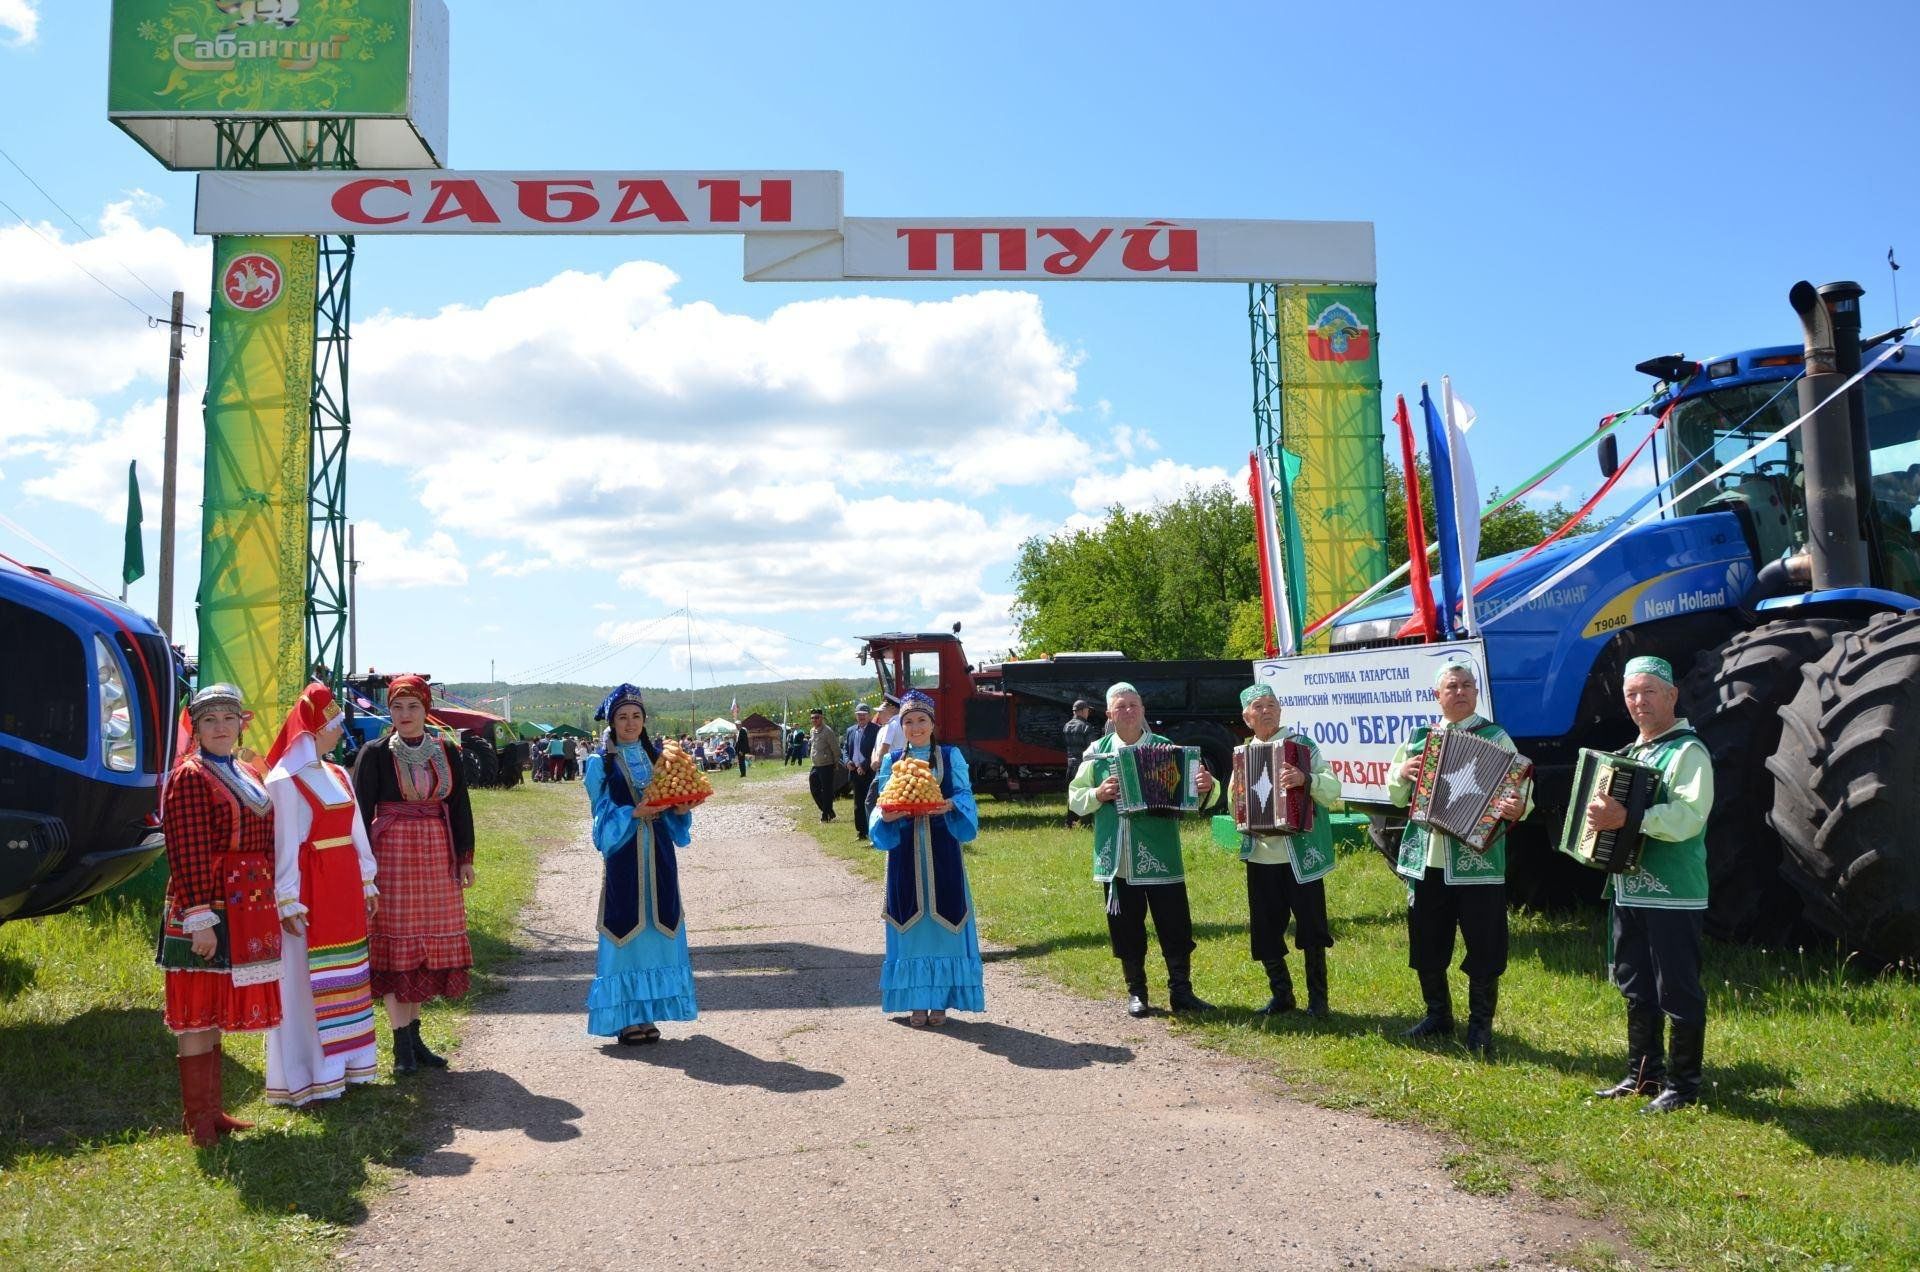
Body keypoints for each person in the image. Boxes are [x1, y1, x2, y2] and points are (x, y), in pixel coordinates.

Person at [1585, 656, 1714, 1113]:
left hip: (1674, 894)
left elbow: (1688, 817)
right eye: (1631, 694)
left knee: (1676, 989)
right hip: (1630, 890)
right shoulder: (1633, 752)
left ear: (1672, 695)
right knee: (1636, 985)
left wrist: (1628, 819)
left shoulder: (1687, 752)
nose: (1639, 702)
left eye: (1648, 692)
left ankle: (1684, 1086)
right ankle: (1642, 1075)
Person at [158, 684, 283, 1145]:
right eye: (210, 721)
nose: (220, 728)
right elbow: (186, 850)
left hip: (242, 903)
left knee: (211, 1009)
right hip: (206, 903)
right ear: (197, 727)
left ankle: (213, 1111)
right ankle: (198, 1120)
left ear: (240, 723)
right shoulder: (190, 776)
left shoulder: (247, 771)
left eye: (228, 719)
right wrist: (199, 918)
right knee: (196, 1013)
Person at [1387, 659, 1530, 1058]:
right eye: (1452, 686)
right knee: (1427, 938)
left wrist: (1519, 806)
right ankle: (1438, 1015)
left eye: (1467, 685)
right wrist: (1402, 772)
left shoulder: (1496, 737)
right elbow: (1396, 795)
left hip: (1477, 860)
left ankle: (1480, 1027)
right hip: (1427, 858)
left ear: (1476, 693)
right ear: (1438, 695)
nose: (1461, 691)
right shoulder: (1419, 739)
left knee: (1485, 944)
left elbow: (1520, 789)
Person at [1066, 681, 1220, 1017]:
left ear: (1143, 710)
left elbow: (1198, 794)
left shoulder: (1167, 747)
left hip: (1161, 852)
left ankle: (1182, 992)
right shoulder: (1096, 752)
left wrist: (1208, 786)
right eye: (1120, 706)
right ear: (1109, 713)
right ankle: (1137, 992)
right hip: (1117, 854)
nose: (1128, 711)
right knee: (1125, 927)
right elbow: (1075, 799)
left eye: (1134, 705)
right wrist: (1097, 794)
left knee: (1175, 924)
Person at [265, 683, 381, 1106]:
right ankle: (310, 1071)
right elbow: (284, 844)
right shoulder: (284, 780)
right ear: (315, 730)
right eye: (333, 725)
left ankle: (347, 1064)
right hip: (311, 887)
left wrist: (367, 879)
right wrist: (287, 898)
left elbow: (356, 831)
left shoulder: (334, 773)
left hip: (343, 885)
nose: (339, 731)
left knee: (346, 971)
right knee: (306, 980)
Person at [353, 675, 475, 1076]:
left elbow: (458, 806)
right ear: (390, 711)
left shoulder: (447, 750)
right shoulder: (373, 753)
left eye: (413, 707)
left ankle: (416, 1038)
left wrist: (465, 857)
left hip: (437, 854)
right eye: (398, 707)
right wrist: (365, 871)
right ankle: (400, 1044)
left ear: (426, 710)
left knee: (423, 950)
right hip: (393, 857)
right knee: (398, 947)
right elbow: (360, 814)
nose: (405, 715)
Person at [583, 685, 698, 1044]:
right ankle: (625, 1018)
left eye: (636, 716)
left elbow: (676, 815)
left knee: (657, 930)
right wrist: (634, 811)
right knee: (625, 931)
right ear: (612, 722)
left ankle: (646, 1014)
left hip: (659, 852)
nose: (630, 723)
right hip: (625, 854)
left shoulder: (661, 760)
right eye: (622, 717)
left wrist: (681, 809)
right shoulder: (598, 764)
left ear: (645, 720)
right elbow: (599, 818)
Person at [1227, 683, 1343, 1016]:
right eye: (1258, 706)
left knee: (1311, 926)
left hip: (1300, 854)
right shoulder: (1242, 753)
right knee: (1265, 928)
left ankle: (1318, 999)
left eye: (1272, 704)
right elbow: (1235, 805)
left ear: (1280, 710)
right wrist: (1237, 798)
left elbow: (1332, 788)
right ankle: (1282, 994)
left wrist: (1305, 779)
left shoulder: (1303, 747)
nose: (1266, 710)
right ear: (1247, 717)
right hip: (1261, 854)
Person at [870, 690, 984, 1026]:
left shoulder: (950, 756)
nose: (916, 727)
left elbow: (965, 795)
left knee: (944, 926)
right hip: (905, 852)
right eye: (908, 721)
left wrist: (949, 805)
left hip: (943, 848)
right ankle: (916, 1001)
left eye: (922, 720)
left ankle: (941, 1003)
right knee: (911, 925)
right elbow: (882, 802)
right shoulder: (893, 762)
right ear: (900, 726)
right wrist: (886, 817)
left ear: (932, 724)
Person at [844, 703, 880, 841]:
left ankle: (873, 830)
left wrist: (864, 766)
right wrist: (847, 761)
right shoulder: (850, 730)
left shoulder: (876, 730)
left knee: (870, 801)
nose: (861, 717)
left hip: (869, 771)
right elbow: (845, 749)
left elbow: (875, 750)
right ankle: (861, 832)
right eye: (859, 714)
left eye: (864, 714)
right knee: (858, 803)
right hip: (854, 772)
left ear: (869, 715)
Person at [1061, 698, 1097, 829]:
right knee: (1085, 792)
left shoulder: (1066, 726)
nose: (1088, 713)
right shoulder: (1086, 727)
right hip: (1082, 764)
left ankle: (1069, 823)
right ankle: (1086, 823)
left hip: (1070, 764)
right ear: (1081, 711)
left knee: (1072, 794)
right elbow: (1092, 748)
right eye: (1087, 710)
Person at [808, 709, 839, 822]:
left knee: (826, 791)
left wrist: (836, 763)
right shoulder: (812, 730)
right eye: (812, 718)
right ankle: (828, 810)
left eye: (817, 717)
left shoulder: (827, 731)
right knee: (814, 788)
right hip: (816, 765)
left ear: (822, 718)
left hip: (827, 765)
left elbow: (835, 748)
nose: (814, 720)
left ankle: (826, 814)